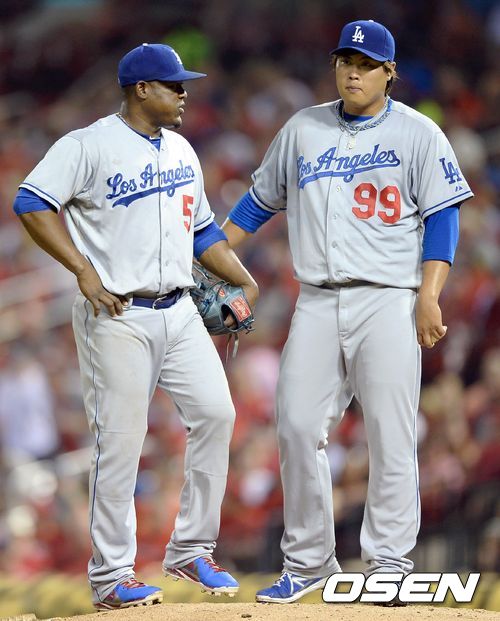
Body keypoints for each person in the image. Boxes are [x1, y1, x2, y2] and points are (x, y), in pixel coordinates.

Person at [222, 19, 473, 604]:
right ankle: (309, 561)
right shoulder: (302, 128)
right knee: (296, 424)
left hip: (389, 297)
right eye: (345, 61)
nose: (353, 72)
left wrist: (429, 294)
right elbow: (257, 204)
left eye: (365, 64)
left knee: (390, 432)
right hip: (316, 298)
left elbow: (443, 217)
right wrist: (208, 256)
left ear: (389, 72)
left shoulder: (418, 133)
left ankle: (390, 564)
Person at [14, 43, 258, 610]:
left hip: (180, 309)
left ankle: (191, 548)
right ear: (141, 89)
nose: (184, 94)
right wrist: (82, 270)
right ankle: (111, 577)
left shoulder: (182, 149)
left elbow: (203, 233)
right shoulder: (88, 145)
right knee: (121, 441)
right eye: (174, 85)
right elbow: (30, 201)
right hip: (117, 314)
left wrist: (243, 279)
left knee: (217, 414)